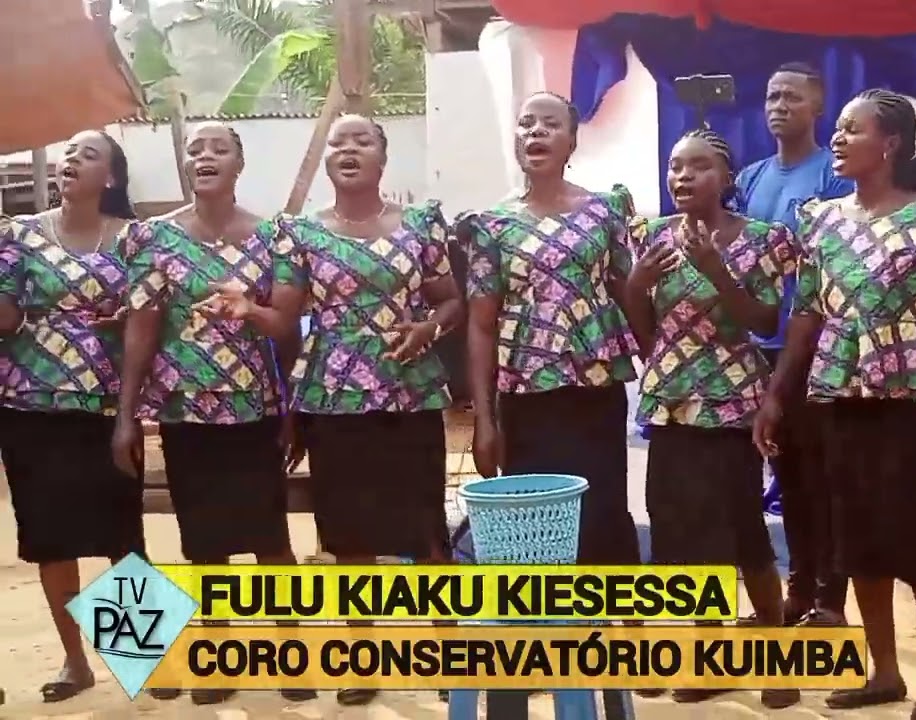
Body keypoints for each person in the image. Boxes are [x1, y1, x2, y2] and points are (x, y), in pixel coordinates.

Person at [202, 113, 464, 706]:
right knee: (349, 538)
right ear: (327, 160)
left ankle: (448, 653)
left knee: (426, 532)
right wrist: (251, 309)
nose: (348, 149)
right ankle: (361, 660)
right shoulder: (298, 233)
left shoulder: (420, 225)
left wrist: (426, 328)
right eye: (338, 142)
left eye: (362, 140)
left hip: (410, 395)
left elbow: (451, 302)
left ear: (383, 157)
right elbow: (289, 320)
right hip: (333, 400)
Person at [753, 89, 916, 717]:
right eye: (841, 128)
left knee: (915, 538)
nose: (839, 138)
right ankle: (884, 672)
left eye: (853, 129)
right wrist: (776, 396)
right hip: (840, 392)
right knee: (855, 540)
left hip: (912, 395)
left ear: (891, 144)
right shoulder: (819, 219)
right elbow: (806, 312)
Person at [111, 121, 312, 706]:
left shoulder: (275, 237)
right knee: (203, 545)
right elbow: (142, 331)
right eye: (195, 150)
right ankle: (218, 658)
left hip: (256, 414)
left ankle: (290, 655)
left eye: (218, 148)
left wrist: (250, 310)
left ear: (239, 163)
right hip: (183, 417)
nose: (204, 156)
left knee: (271, 540)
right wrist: (128, 415)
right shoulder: (154, 239)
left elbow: (288, 335)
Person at [624, 127, 798, 709]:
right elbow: (648, 336)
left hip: (731, 407)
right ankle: (710, 655)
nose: (683, 177)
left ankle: (776, 659)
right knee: (682, 533)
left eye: (697, 168)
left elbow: (766, 322)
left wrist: (717, 269)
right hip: (672, 404)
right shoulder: (651, 239)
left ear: (726, 179)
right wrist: (635, 288)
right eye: (675, 167)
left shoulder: (763, 240)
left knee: (742, 530)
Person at [456, 91, 641, 566]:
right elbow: (480, 326)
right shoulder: (491, 225)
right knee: (535, 527)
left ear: (572, 141)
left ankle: (621, 630)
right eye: (527, 123)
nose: (536, 132)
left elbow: (629, 293)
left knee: (602, 516)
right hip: (525, 402)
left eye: (550, 124)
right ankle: (551, 632)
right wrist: (485, 420)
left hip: (595, 394)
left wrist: (660, 362)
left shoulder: (604, 212)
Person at [0, 130, 145, 703]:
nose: (70, 160)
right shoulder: (19, 234)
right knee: (50, 538)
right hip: (29, 407)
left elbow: (151, 316)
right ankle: (76, 662)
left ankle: (139, 662)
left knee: (121, 536)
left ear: (110, 177)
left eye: (88, 155)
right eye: (68, 154)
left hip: (108, 407)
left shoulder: (135, 239)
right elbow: (6, 318)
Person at [737, 61, 854, 625]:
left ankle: (831, 597)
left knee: (827, 478)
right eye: (770, 96)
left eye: (791, 97)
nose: (778, 105)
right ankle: (799, 587)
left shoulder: (832, 177)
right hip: (761, 350)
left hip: (818, 349)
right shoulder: (753, 178)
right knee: (787, 478)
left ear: (817, 108)